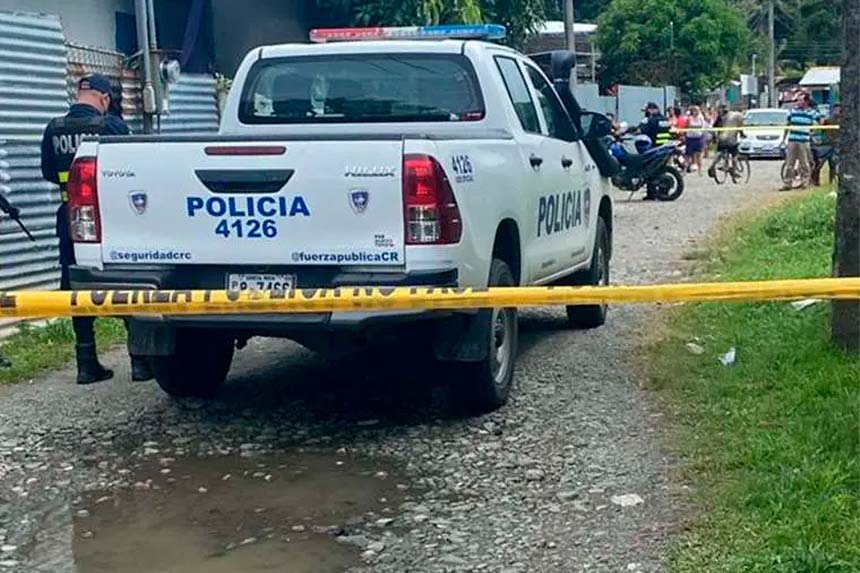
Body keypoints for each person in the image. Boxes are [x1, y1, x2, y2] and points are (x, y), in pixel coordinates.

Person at [40, 74, 152, 385]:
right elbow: (134, 166)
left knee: (74, 285)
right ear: (104, 99)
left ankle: (86, 362)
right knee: (123, 280)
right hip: (111, 218)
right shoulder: (111, 126)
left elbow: (48, 172)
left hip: (70, 217)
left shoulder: (54, 129)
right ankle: (140, 361)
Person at [782, 92, 819, 190]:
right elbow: (787, 124)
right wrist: (784, 138)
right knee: (789, 163)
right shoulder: (792, 111)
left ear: (806, 101)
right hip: (792, 140)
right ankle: (787, 183)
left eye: (800, 100)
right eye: (797, 100)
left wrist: (813, 132)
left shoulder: (811, 113)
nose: (798, 102)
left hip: (804, 141)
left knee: (804, 163)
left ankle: (804, 182)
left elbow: (819, 122)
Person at [708, 104, 744, 180]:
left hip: (721, 139)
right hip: (731, 140)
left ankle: (713, 165)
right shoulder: (738, 116)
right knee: (734, 155)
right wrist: (742, 134)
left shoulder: (720, 117)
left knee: (719, 153)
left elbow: (714, 127)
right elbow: (740, 128)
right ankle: (734, 171)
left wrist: (714, 137)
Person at [810, 103, 839, 186]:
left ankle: (831, 181)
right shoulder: (828, 120)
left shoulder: (842, 121)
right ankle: (815, 181)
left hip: (835, 145)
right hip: (826, 145)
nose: (837, 111)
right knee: (819, 164)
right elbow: (820, 128)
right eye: (836, 109)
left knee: (833, 165)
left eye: (839, 110)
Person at [685, 106, 706, 175]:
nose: (696, 112)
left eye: (697, 110)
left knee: (699, 154)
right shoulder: (689, 118)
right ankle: (685, 169)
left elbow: (703, 126)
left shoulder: (701, 117)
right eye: (694, 110)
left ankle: (700, 171)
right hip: (690, 137)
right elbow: (687, 126)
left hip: (698, 137)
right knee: (688, 155)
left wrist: (701, 132)